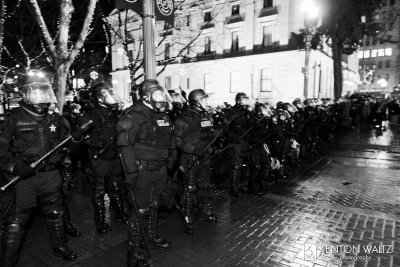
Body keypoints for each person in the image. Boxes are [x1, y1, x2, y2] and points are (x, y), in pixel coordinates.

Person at [0, 70, 77, 267]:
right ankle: (8, 260)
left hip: (50, 174)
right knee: (18, 220)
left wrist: (72, 145)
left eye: (45, 91)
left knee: (55, 213)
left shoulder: (55, 118)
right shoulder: (13, 118)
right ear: (26, 93)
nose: (43, 96)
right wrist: (14, 166)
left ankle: (60, 246)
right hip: (25, 177)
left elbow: (65, 141)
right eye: (38, 92)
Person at [117, 80, 173, 267]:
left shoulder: (161, 115)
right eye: (157, 94)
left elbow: (168, 140)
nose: (161, 98)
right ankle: (135, 249)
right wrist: (131, 172)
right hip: (142, 170)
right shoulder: (134, 115)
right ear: (146, 96)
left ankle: (151, 234)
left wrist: (170, 161)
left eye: (162, 94)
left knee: (155, 204)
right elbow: (125, 146)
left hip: (159, 168)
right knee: (139, 210)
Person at [79, 82, 126, 234]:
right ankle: (100, 222)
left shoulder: (115, 113)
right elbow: (80, 136)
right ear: (100, 98)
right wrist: (99, 144)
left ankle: (120, 214)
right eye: (108, 94)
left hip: (114, 157)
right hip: (99, 158)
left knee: (116, 187)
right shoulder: (91, 114)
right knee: (99, 191)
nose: (113, 97)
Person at [174, 89, 218, 234]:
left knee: (205, 185)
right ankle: (188, 216)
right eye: (204, 99)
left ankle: (206, 209)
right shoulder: (184, 118)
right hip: (190, 158)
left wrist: (212, 140)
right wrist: (193, 149)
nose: (207, 102)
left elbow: (208, 134)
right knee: (190, 188)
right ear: (197, 101)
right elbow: (177, 140)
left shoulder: (205, 116)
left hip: (204, 156)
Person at [224, 92, 252, 197]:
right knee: (236, 166)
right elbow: (226, 127)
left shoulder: (246, 111)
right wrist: (233, 138)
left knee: (244, 165)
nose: (246, 101)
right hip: (235, 143)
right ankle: (234, 188)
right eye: (244, 99)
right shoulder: (232, 112)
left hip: (245, 142)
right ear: (239, 100)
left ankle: (242, 185)